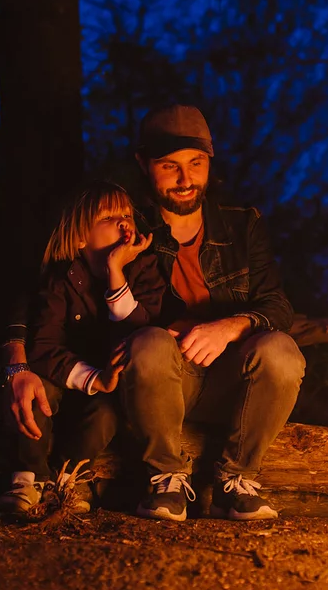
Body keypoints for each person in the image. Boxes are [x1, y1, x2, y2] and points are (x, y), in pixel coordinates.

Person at [120, 104, 306, 522]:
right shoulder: (126, 226)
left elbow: (277, 306)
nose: (186, 180)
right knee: (148, 343)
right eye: (170, 166)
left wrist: (229, 326)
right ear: (143, 164)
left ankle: (237, 482)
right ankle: (165, 480)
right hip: (162, 382)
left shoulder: (242, 226)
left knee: (282, 350)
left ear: (210, 161)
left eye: (196, 164)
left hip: (232, 383)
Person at [0, 181, 164, 515]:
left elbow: (142, 331)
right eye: (109, 217)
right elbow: (43, 347)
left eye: (126, 215)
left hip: (109, 391)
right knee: (38, 392)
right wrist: (91, 377)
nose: (124, 222)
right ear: (79, 237)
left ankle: (66, 478)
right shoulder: (61, 279)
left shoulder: (145, 269)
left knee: (105, 416)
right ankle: (28, 477)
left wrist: (117, 272)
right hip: (65, 375)